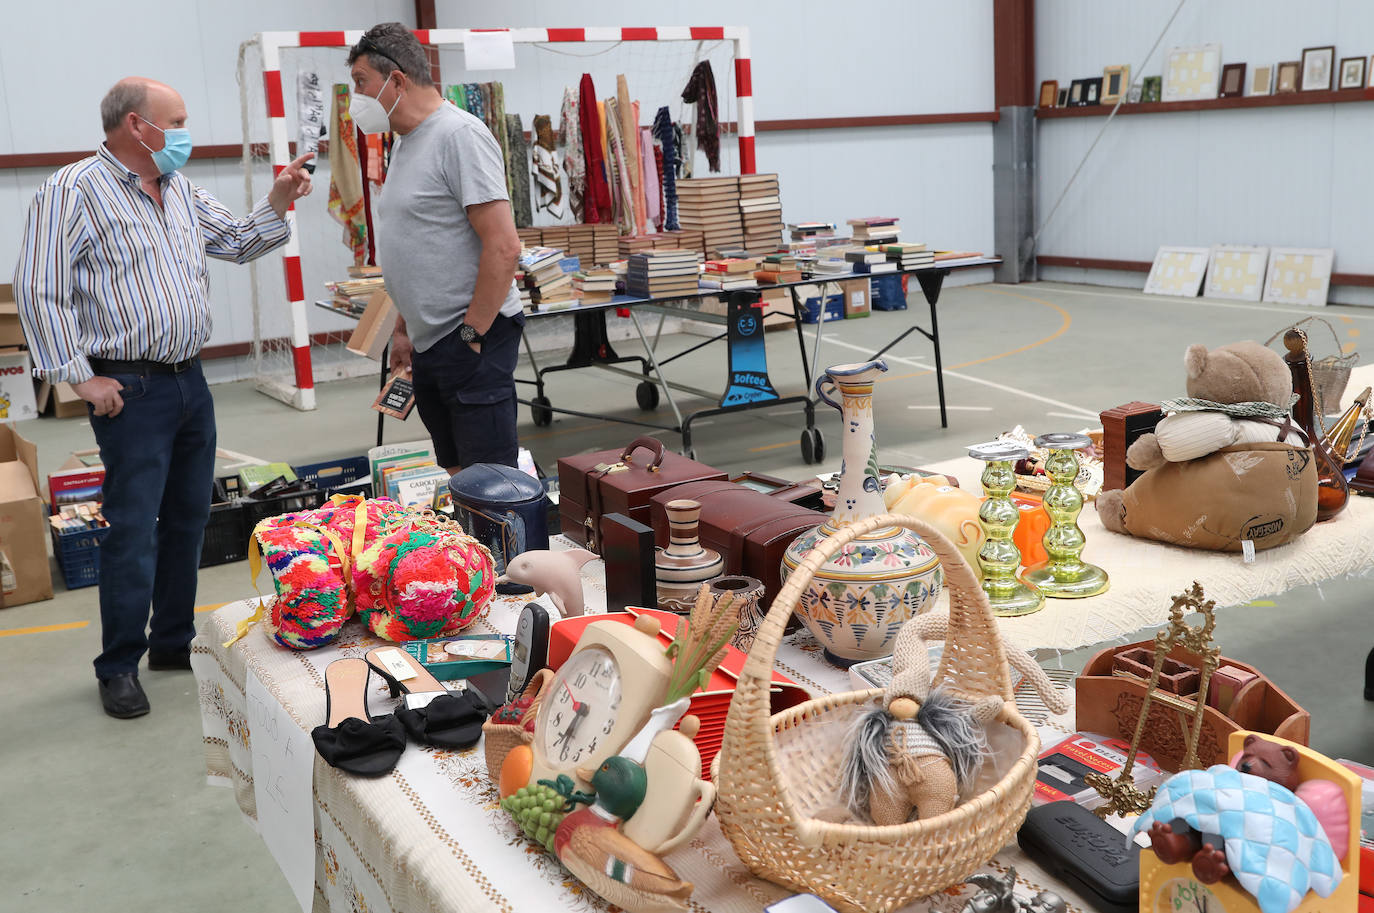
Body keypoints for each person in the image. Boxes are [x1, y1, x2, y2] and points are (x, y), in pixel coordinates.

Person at [12, 77, 313, 719]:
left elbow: (237, 242)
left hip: (188, 381)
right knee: (132, 531)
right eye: (174, 120)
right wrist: (79, 377)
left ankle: (172, 642)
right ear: (133, 125)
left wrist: (279, 197)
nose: (183, 131)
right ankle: (118, 664)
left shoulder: (180, 190)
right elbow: (39, 290)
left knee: (188, 520)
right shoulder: (71, 191)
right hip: (131, 388)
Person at [347, 23, 524, 473]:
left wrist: (471, 334)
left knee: (490, 483)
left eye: (361, 83)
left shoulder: (459, 136)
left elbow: (503, 246)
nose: (356, 98)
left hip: (468, 336)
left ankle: (502, 547)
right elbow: (417, 241)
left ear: (398, 80)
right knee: (457, 472)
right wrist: (405, 329)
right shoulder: (404, 143)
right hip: (431, 342)